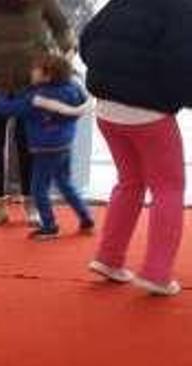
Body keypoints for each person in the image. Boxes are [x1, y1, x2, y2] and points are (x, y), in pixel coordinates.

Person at [78, 0, 192, 296]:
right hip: (148, 112)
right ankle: (157, 273)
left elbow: (86, 39)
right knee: (169, 187)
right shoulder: (181, 7)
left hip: (106, 108)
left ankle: (108, 258)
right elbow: (181, 61)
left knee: (130, 182)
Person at [0, 0, 75, 228]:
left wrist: (67, 51)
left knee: (28, 145)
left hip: (32, 84)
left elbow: (62, 27)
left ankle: (31, 204)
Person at [0, 53, 93, 241]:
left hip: (44, 149)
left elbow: (10, 109)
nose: (31, 71)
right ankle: (86, 217)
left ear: (47, 75)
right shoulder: (73, 89)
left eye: (35, 69)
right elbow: (82, 101)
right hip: (65, 146)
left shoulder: (36, 99)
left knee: (39, 189)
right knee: (66, 184)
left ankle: (49, 226)